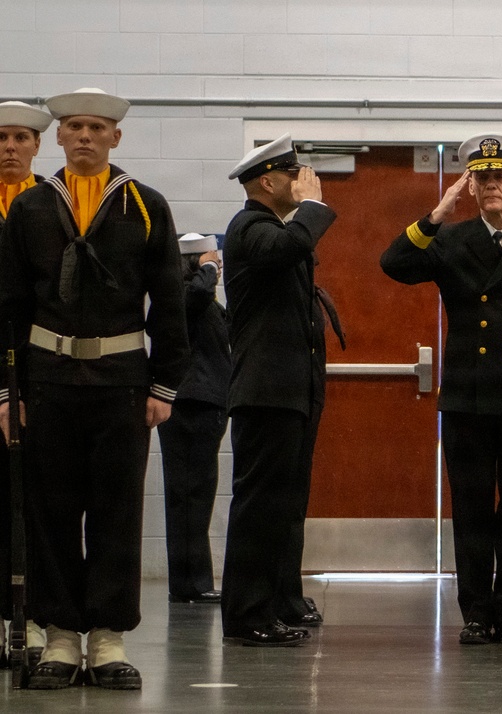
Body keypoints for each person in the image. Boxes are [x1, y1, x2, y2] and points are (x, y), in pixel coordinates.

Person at [0, 87, 189, 689]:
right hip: (47, 383)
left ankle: (108, 640)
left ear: (116, 137)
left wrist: (165, 384)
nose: (85, 136)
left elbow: (170, 301)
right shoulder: (30, 208)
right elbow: (9, 306)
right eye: (75, 127)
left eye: (97, 128)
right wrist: (8, 392)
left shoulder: (146, 205)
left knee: (117, 512)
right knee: (50, 511)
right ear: (57, 136)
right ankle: (59, 637)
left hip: (122, 383)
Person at [381, 134, 502, 646]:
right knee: (470, 509)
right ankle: (474, 612)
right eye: (481, 178)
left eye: (500, 177)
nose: (491, 185)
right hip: (467, 397)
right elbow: (393, 263)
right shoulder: (449, 239)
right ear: (471, 187)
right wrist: (436, 214)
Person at [220, 133, 336, 647]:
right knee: (260, 507)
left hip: (288, 391)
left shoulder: (272, 228)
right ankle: (247, 615)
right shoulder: (250, 227)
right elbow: (290, 246)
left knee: (282, 506)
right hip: (265, 391)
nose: (303, 180)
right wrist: (313, 207)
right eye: (293, 174)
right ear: (267, 182)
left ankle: (274, 603)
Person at [0, 100, 53, 673]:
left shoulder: (50, 206)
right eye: (0, 138)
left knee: (37, 501)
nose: (10, 147)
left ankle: (32, 617)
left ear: (38, 145)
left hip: (34, 374)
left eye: (20, 137)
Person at [157, 233, 231, 605]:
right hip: (193, 404)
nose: (218, 267)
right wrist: (207, 266)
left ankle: (189, 581)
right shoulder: (185, 296)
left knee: (191, 496)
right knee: (191, 495)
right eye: (212, 260)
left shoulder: (202, 302)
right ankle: (193, 582)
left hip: (201, 403)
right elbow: (198, 293)